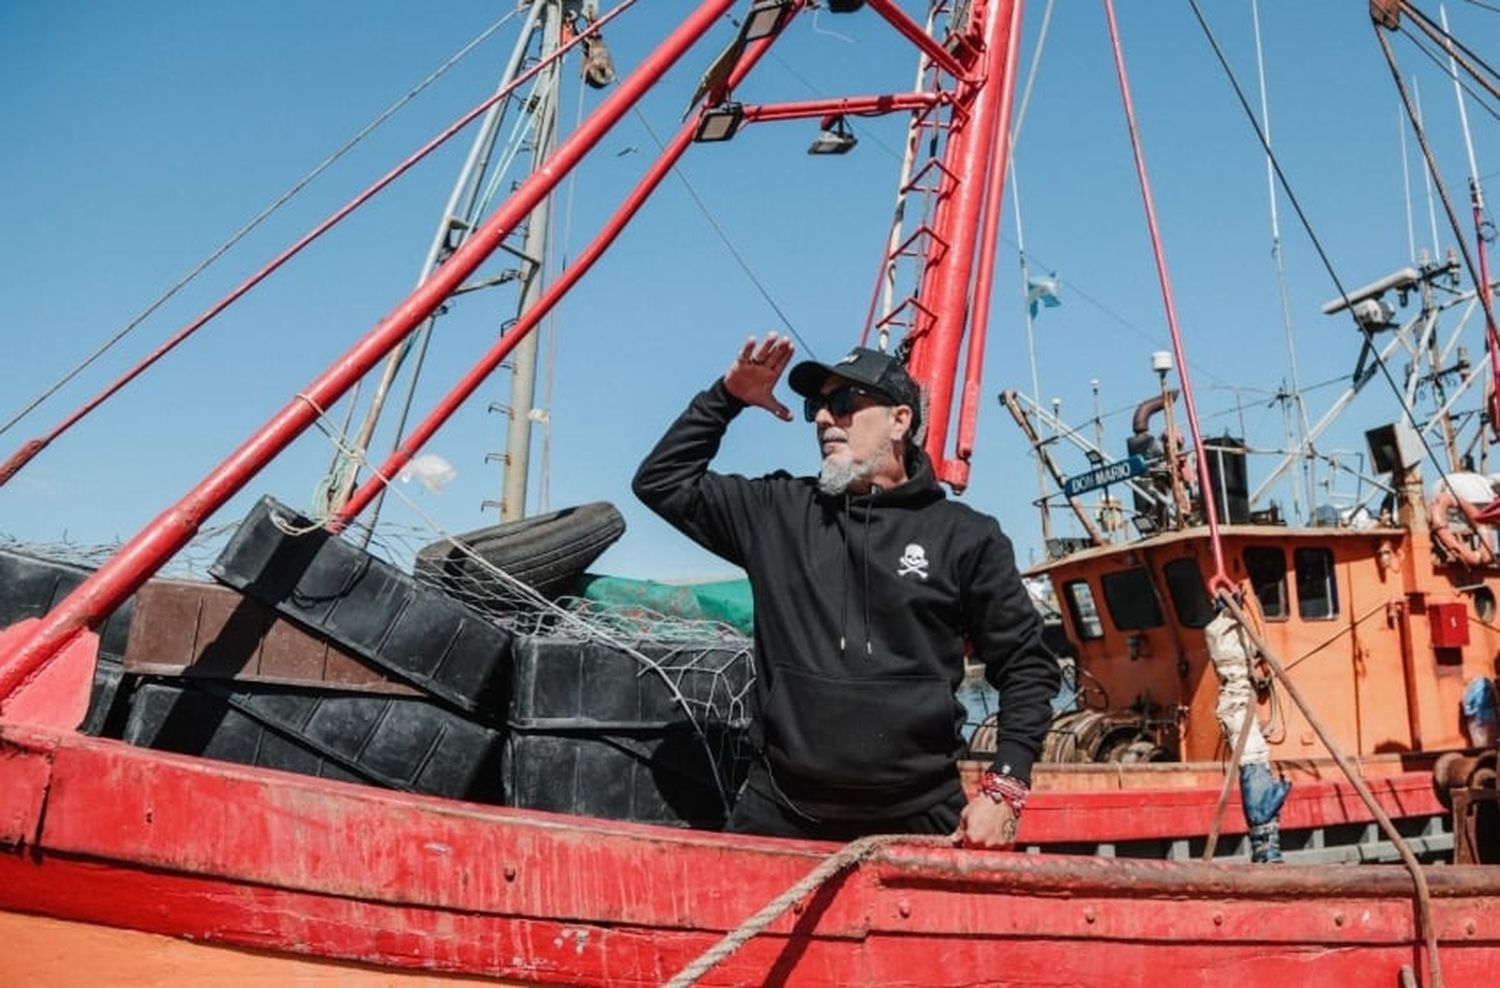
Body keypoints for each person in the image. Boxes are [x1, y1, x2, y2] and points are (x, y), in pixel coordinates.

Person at [632, 332, 1059, 848]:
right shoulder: (777, 512)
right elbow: (661, 481)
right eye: (817, 404)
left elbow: (1026, 665)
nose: (822, 419)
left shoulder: (965, 536)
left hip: (920, 813)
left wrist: (1006, 787)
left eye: (843, 403)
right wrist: (727, 397)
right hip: (782, 809)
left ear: (901, 420)